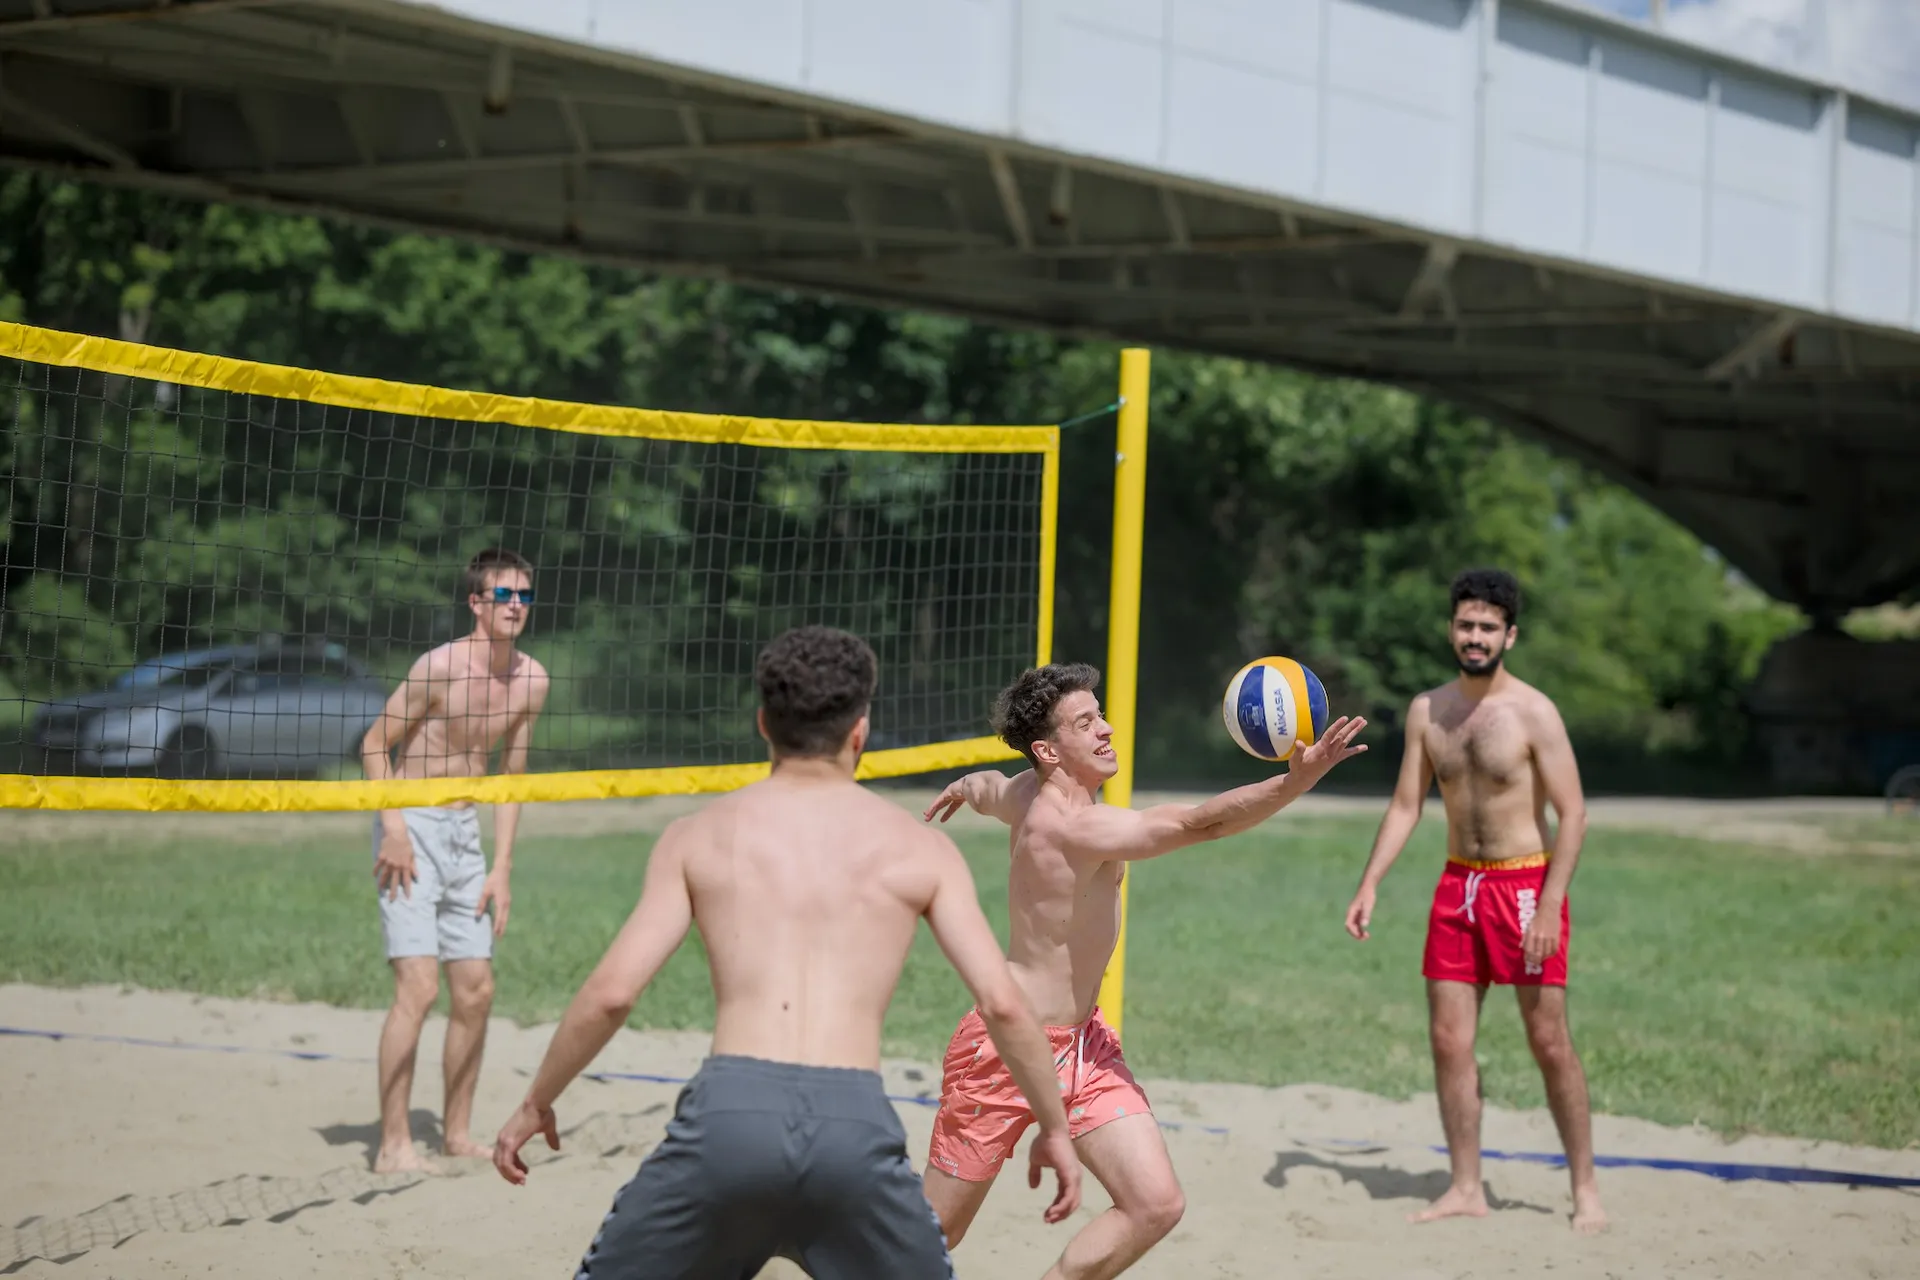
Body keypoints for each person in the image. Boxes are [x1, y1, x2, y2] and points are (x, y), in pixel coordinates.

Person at [491, 624, 1083, 1278]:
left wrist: (536, 1100)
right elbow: (1002, 1003)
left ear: (763, 723)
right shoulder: (919, 849)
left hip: (727, 1122)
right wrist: (1054, 1127)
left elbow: (612, 994)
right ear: (860, 730)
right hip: (852, 1131)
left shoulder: (698, 836)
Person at [922, 662, 1368, 1279]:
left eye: (1100, 713)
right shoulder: (1074, 824)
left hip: (1083, 1046)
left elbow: (988, 786)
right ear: (1050, 750)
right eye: (1086, 722)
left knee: (1154, 1204)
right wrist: (1295, 783)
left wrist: (961, 787)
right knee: (930, 1237)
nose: (1106, 729)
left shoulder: (1025, 789)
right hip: (1007, 1049)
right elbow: (1198, 823)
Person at [1342, 568, 1608, 1234]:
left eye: (1489, 627)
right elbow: (1407, 805)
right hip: (1457, 885)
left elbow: (1573, 815)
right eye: (1466, 624)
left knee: (1548, 1041)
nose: (1476, 636)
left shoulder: (1535, 712)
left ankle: (1586, 1188)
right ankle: (1466, 1186)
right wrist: (1371, 880)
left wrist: (1549, 905)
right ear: (1451, 629)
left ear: (1509, 636)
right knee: (1447, 1040)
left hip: (1524, 888)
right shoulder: (1429, 711)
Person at [358, 546, 551, 1174]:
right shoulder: (437, 668)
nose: (516, 605)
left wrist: (503, 867)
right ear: (477, 602)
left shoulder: (533, 679)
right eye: (504, 595)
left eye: (524, 595)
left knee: (476, 990)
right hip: (409, 824)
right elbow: (372, 746)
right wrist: (392, 829)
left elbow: (511, 778)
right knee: (418, 987)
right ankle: (393, 1144)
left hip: (466, 833)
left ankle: (457, 1132)